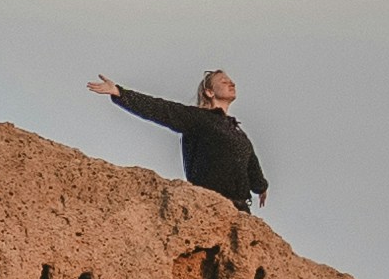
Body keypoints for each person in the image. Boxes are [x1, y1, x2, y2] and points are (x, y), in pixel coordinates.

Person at [87, 68, 267, 212]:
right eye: (224, 81)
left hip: (240, 210)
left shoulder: (236, 131)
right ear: (209, 92)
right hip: (209, 206)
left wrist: (261, 187)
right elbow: (162, 109)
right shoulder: (199, 118)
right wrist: (121, 93)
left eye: (231, 81)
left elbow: (250, 161)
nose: (231, 83)